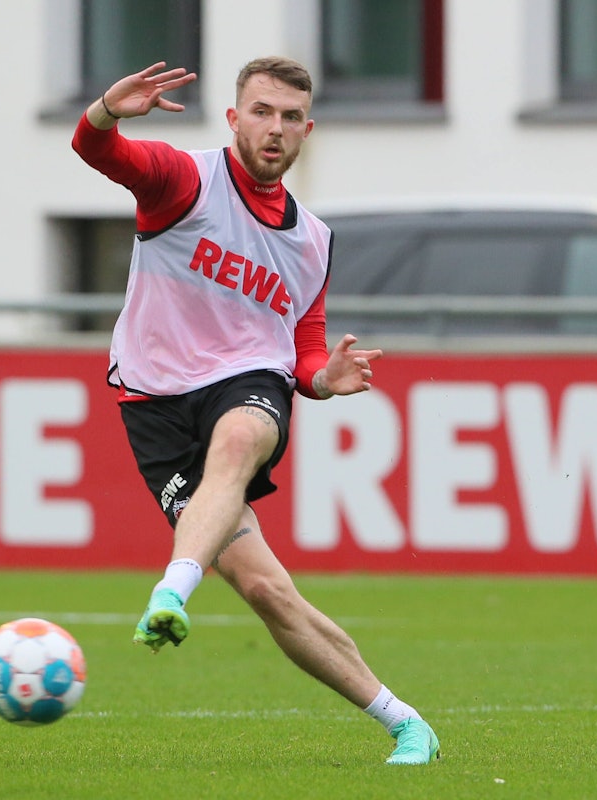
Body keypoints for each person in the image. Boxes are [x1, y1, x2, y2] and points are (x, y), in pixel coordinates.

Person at [72, 57, 440, 766]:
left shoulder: (313, 240)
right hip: (154, 400)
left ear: (307, 130)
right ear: (235, 118)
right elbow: (97, 151)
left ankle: (172, 591)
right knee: (268, 590)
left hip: (249, 382)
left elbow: (300, 345)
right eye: (262, 112)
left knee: (240, 437)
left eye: (289, 117)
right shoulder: (184, 180)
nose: (275, 129)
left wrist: (321, 377)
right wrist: (106, 113)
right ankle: (405, 723)